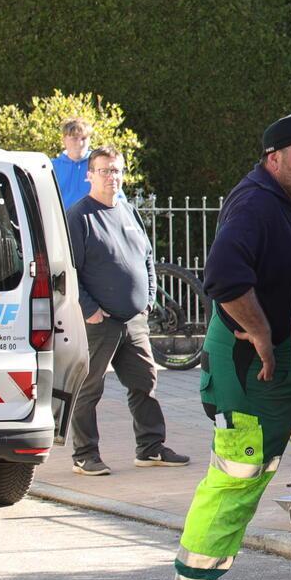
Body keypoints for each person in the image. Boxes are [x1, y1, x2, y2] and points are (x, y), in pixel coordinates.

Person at [152, 114, 291, 580]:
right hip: (253, 371)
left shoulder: (282, 203)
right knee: (236, 481)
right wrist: (261, 334)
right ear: (273, 158)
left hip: (280, 368)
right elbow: (224, 277)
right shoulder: (255, 204)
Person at [64, 148, 188, 475]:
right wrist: (89, 309)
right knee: (89, 388)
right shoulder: (79, 217)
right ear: (90, 175)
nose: (112, 177)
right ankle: (84, 455)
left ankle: (150, 448)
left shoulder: (128, 211)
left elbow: (146, 258)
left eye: (117, 170)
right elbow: (69, 270)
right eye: (104, 171)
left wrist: (148, 298)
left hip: (134, 321)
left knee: (145, 382)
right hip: (100, 323)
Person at [52, 118, 94, 210]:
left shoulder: (99, 165)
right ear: (64, 140)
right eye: (74, 138)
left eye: (84, 138)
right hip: (61, 218)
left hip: (91, 218)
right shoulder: (51, 167)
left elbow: (116, 198)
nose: (80, 143)